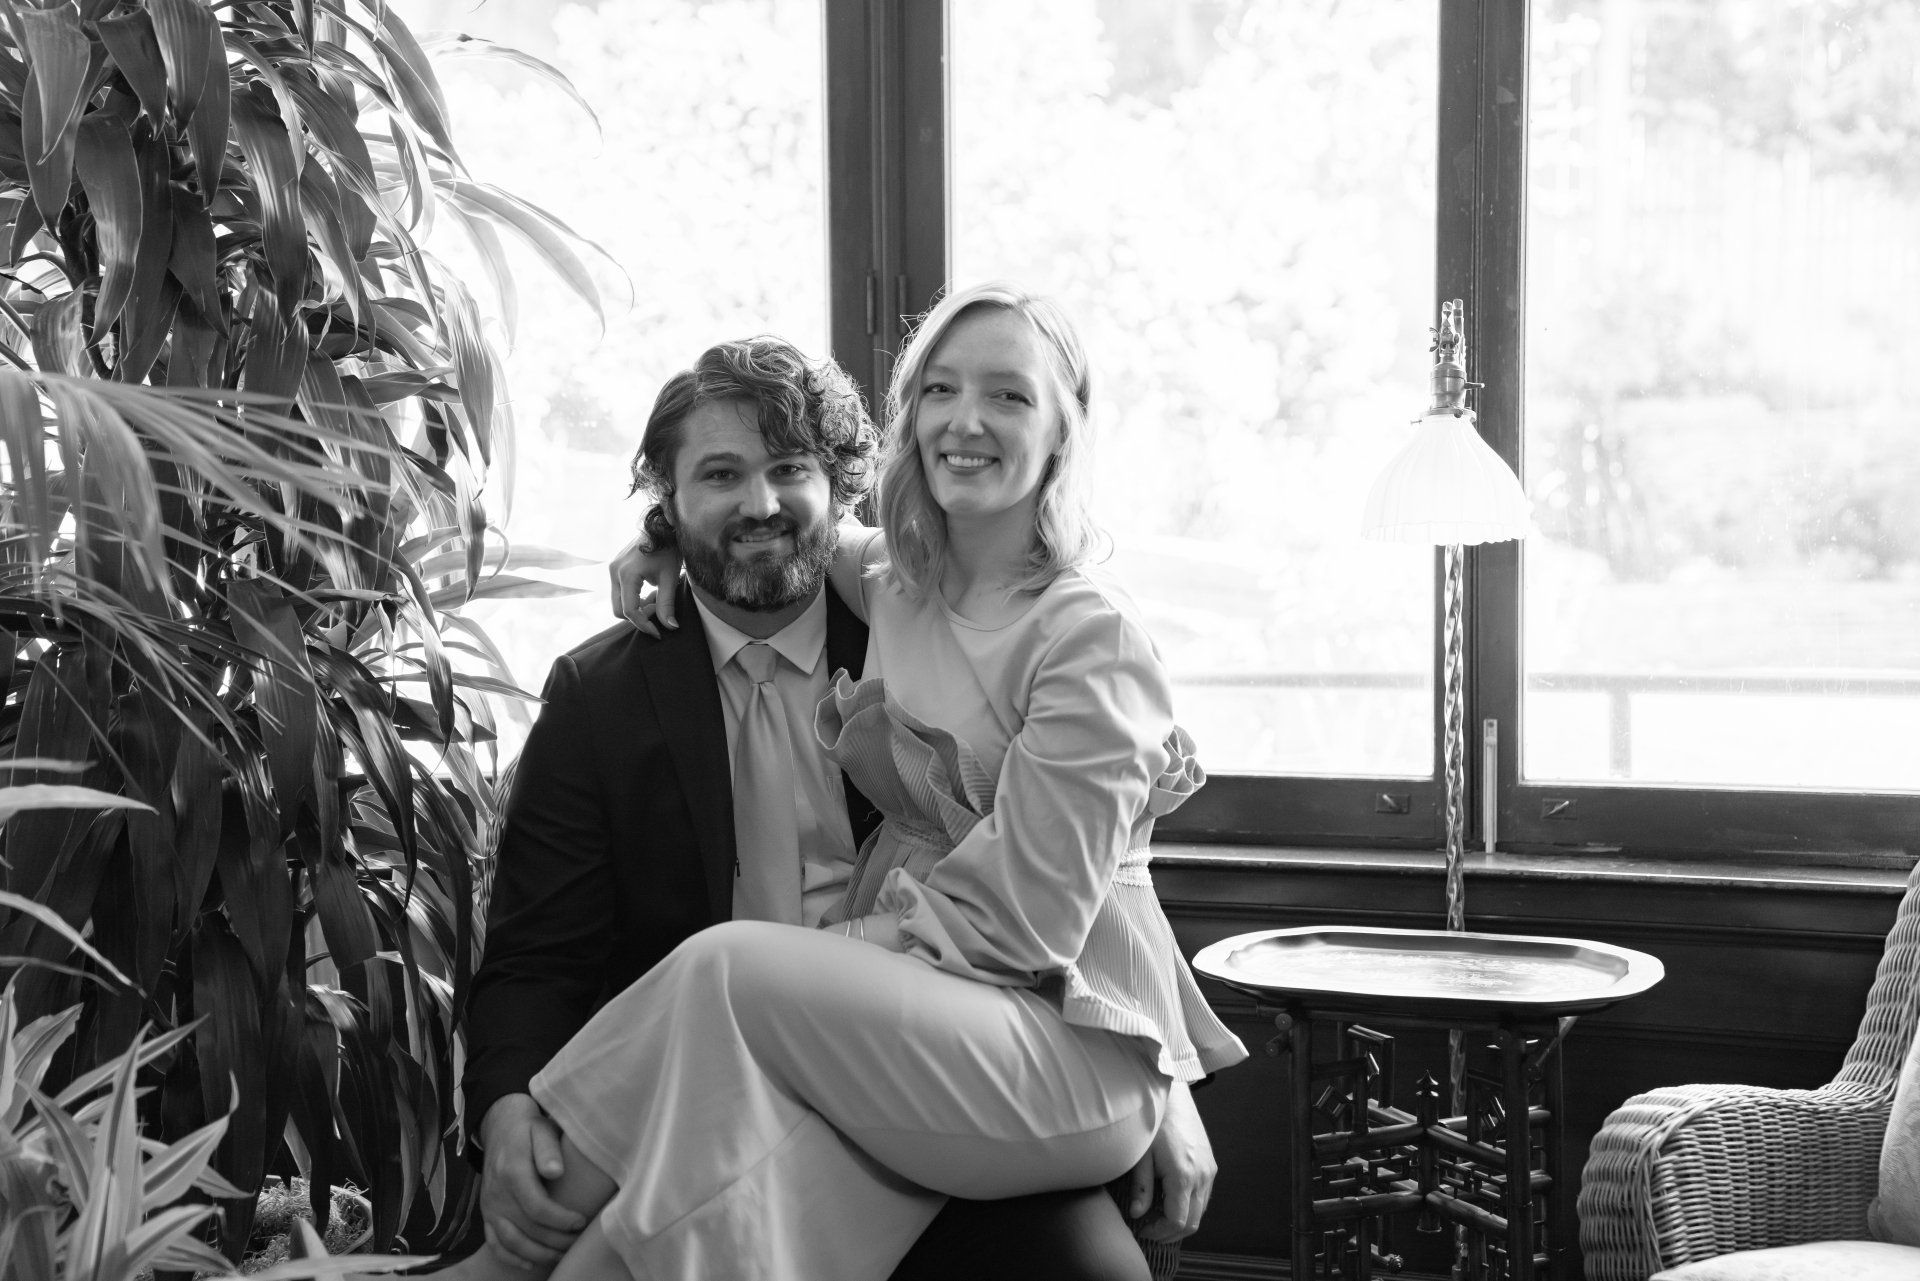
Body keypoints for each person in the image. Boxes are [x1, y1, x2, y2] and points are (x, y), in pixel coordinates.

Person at [454, 286, 1247, 1281]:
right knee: (610, 1265)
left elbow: (1073, 896)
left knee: (729, 967)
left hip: (1018, 1034)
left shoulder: (1063, 629)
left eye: (1010, 396)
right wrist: (507, 1101)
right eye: (944, 390)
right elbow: (536, 951)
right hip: (793, 1063)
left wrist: (1163, 1069)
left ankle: (491, 1271)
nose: (759, 503)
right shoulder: (892, 586)